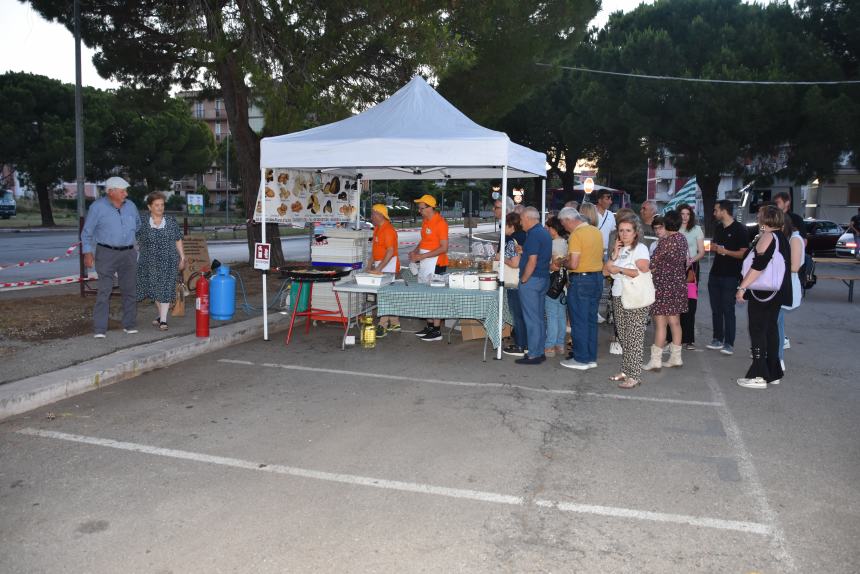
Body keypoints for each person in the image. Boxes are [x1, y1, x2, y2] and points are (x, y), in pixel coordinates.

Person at [736, 205, 792, 389]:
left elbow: (759, 266)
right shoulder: (782, 238)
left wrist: (742, 287)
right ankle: (772, 372)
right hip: (776, 291)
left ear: (764, 219)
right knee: (770, 330)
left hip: (763, 292)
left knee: (758, 330)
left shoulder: (768, 237)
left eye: (760, 215)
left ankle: (758, 375)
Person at [81, 176, 141, 338]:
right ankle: (100, 329)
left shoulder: (131, 207)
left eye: (125, 191)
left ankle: (129, 324)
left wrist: (139, 243)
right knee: (104, 291)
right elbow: (87, 233)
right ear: (111, 192)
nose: (126, 194)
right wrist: (87, 252)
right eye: (122, 191)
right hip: (106, 253)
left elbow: (138, 226)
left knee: (130, 290)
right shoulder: (97, 207)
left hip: (128, 253)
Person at [604, 216, 651, 388]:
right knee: (623, 337)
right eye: (621, 230)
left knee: (634, 337)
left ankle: (635, 375)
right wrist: (614, 255)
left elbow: (643, 269)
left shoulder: (641, 248)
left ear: (636, 232)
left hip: (635, 297)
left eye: (628, 230)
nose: (623, 234)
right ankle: (626, 370)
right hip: (618, 295)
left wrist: (621, 268)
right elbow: (604, 272)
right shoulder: (619, 250)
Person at [558, 207, 604, 370]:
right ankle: (590, 357)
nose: (564, 227)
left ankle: (581, 358)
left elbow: (574, 263)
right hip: (597, 278)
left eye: (564, 224)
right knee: (591, 320)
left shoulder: (576, 235)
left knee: (578, 321)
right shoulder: (595, 231)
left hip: (581, 280)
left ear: (568, 220)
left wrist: (564, 262)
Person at [642, 210, 688, 371]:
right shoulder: (682, 239)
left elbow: (652, 264)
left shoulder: (666, 242)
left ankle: (656, 360)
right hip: (678, 285)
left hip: (662, 286)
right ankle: (676, 358)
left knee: (660, 324)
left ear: (667, 224)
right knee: (675, 322)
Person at [136, 192, 185, 331]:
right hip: (148, 261)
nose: (160, 207)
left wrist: (182, 257)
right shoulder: (143, 222)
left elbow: (178, 239)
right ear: (149, 207)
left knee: (165, 288)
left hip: (169, 260)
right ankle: (160, 315)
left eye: (162, 205)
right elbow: (135, 240)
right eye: (156, 205)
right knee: (154, 289)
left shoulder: (170, 221)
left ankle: (163, 320)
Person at [706, 200, 749, 355]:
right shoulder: (718, 228)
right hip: (715, 274)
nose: (714, 213)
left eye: (716, 210)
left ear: (724, 211)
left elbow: (744, 253)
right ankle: (717, 338)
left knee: (728, 309)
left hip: (731, 275)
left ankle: (729, 343)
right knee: (716, 309)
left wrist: (726, 252)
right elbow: (714, 246)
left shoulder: (740, 229)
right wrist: (711, 247)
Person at [515, 207, 552, 365]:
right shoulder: (543, 232)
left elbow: (532, 260)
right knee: (538, 318)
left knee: (531, 318)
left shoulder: (534, 234)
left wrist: (524, 279)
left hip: (532, 280)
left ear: (529, 218)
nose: (520, 223)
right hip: (542, 278)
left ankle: (534, 354)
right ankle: (538, 351)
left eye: (522, 219)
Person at [409, 194, 449, 342]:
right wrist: (415, 251)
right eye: (419, 208)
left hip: (437, 263)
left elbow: (444, 248)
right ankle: (430, 326)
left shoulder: (441, 223)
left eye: (422, 208)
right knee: (425, 294)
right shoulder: (426, 221)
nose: (420, 211)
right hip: (425, 261)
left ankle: (437, 330)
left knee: (435, 296)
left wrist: (422, 257)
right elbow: (424, 240)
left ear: (431, 207)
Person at [369, 204, 400, 337]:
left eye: (373, 214)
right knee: (387, 295)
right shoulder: (377, 228)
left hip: (388, 265)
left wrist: (379, 268)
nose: (371, 217)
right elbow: (374, 250)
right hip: (380, 264)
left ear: (380, 215)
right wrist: (369, 265)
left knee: (384, 296)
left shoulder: (388, 230)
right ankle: (395, 322)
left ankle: (382, 325)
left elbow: (390, 251)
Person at [777, 216, 804, 372]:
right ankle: (776, 357)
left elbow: (794, 267)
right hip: (781, 286)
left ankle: (778, 359)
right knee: (777, 323)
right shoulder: (789, 238)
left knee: (775, 325)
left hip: (786, 287)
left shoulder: (794, 239)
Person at [677, 203, 705, 350]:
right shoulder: (674, 228)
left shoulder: (696, 229)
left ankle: (689, 339)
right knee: (676, 303)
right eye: (682, 214)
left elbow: (701, 251)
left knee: (690, 303)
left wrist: (690, 261)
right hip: (675, 269)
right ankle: (676, 337)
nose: (685, 217)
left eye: (687, 214)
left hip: (691, 270)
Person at [502, 213, 528, 357]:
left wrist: (501, 258)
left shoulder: (513, 240)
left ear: (511, 225)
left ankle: (520, 345)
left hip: (515, 281)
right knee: (524, 314)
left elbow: (514, 263)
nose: (502, 228)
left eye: (504, 225)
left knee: (518, 315)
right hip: (525, 280)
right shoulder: (526, 236)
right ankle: (526, 344)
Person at [544, 216, 568, 357]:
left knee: (552, 315)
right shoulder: (565, 242)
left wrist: (546, 266)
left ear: (553, 229)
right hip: (563, 285)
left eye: (548, 228)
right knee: (560, 316)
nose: (547, 230)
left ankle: (550, 346)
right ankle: (559, 344)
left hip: (553, 284)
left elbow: (554, 265)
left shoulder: (553, 244)